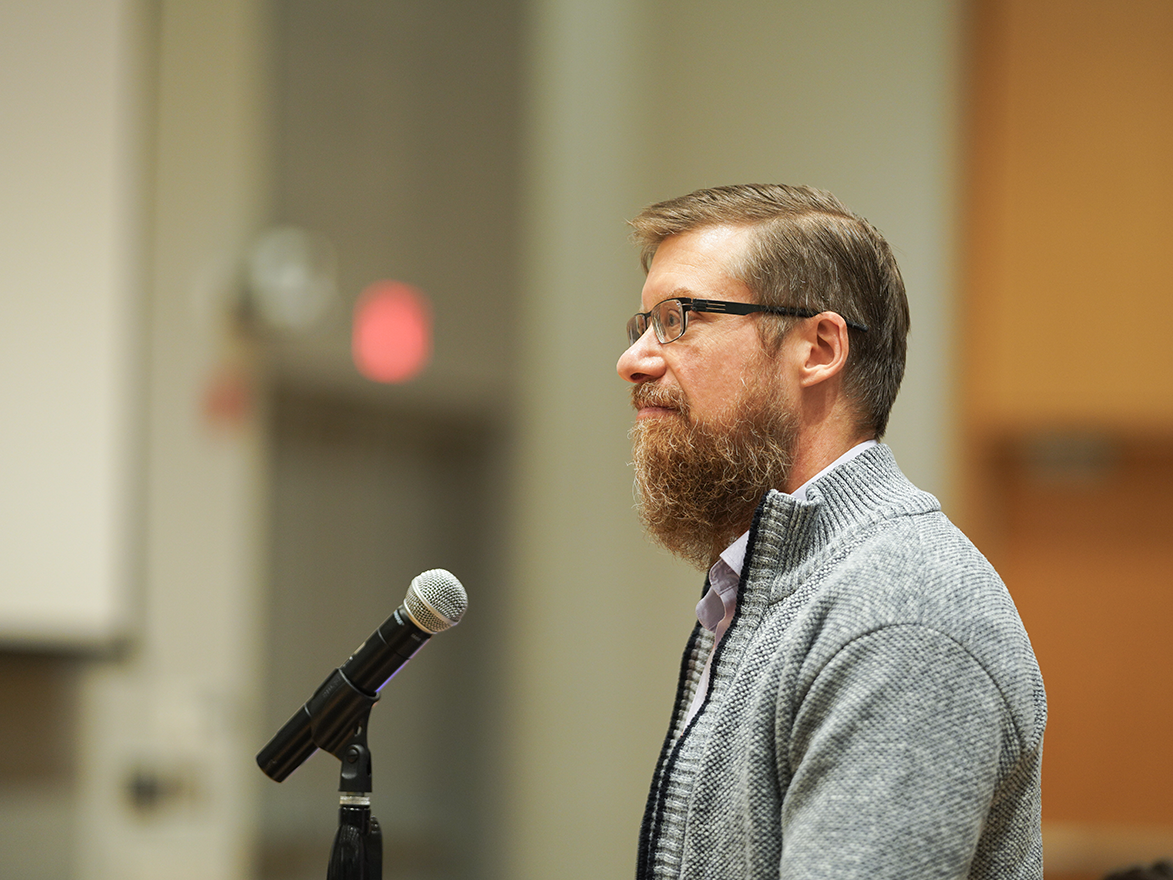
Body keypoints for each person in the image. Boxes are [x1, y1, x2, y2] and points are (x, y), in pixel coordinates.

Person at [616, 184, 1046, 879]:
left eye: (677, 320)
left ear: (817, 347)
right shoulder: (766, 586)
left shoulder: (900, 610)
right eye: (639, 325)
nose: (633, 359)